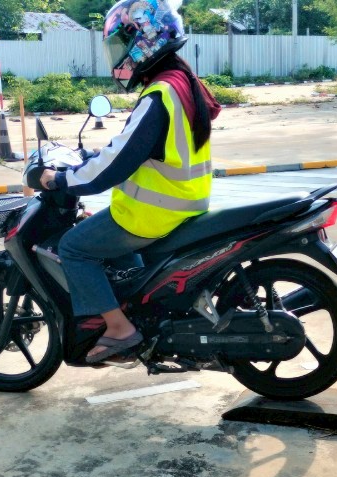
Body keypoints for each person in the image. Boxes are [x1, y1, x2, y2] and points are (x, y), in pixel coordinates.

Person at [39, 0, 222, 362]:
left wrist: (62, 179)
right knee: (106, 236)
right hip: (185, 204)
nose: (119, 56)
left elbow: (115, 166)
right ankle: (140, 309)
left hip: (154, 214)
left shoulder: (159, 95)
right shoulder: (181, 82)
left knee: (74, 248)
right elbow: (138, 149)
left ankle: (120, 329)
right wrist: (92, 157)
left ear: (144, 41)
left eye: (120, 46)